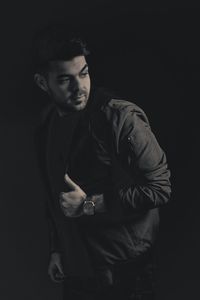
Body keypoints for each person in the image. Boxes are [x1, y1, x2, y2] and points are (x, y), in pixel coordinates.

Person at [33, 24, 171, 300]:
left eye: (83, 74)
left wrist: (89, 205)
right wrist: (58, 250)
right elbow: (54, 195)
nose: (79, 87)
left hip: (126, 275)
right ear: (42, 83)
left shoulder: (118, 117)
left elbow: (159, 189)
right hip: (78, 271)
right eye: (64, 79)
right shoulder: (46, 124)